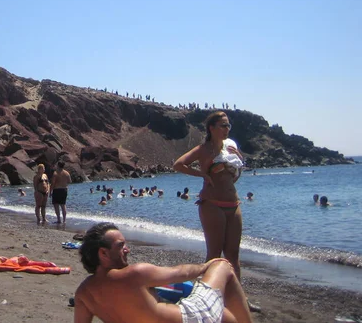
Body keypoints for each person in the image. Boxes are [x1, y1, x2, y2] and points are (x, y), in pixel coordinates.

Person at [74, 223, 252, 323]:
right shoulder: (133, 274)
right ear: (103, 253)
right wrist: (206, 266)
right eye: (121, 246)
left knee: (225, 315)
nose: (127, 250)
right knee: (223, 266)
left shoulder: (83, 293)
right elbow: (181, 272)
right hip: (192, 319)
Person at [173, 111, 259, 312]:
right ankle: (206, 300)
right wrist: (202, 174)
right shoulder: (203, 149)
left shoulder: (231, 148)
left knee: (233, 256)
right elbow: (178, 164)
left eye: (228, 125)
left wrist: (236, 166)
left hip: (233, 203)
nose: (227, 129)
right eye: (223, 125)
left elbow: (235, 176)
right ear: (211, 128)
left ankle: (239, 300)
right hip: (212, 204)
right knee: (214, 255)